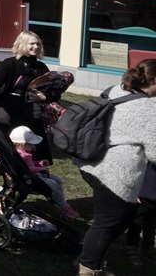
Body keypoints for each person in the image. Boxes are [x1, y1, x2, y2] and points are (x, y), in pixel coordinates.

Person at [76, 58, 156, 276]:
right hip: (115, 173)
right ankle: (88, 268)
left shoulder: (116, 90)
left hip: (92, 161)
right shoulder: (149, 109)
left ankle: (93, 257)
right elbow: (154, 153)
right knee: (107, 223)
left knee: (126, 215)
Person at [0, 30, 59, 163]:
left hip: (33, 112)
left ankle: (35, 168)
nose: (36, 47)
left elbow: (53, 92)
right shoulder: (9, 64)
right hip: (11, 111)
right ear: (22, 44)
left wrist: (44, 97)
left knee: (34, 147)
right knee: (12, 147)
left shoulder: (41, 67)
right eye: (32, 44)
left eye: (38, 44)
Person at [8, 125, 80, 219]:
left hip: (30, 176)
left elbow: (29, 165)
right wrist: (42, 169)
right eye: (32, 144)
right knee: (54, 184)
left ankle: (61, 201)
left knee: (57, 179)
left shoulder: (20, 152)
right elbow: (30, 169)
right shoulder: (24, 155)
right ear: (24, 144)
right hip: (30, 179)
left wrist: (40, 163)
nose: (34, 146)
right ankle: (63, 206)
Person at [125, 162, 156, 267]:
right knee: (138, 221)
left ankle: (148, 246)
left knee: (152, 223)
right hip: (145, 191)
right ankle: (132, 246)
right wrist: (135, 189)